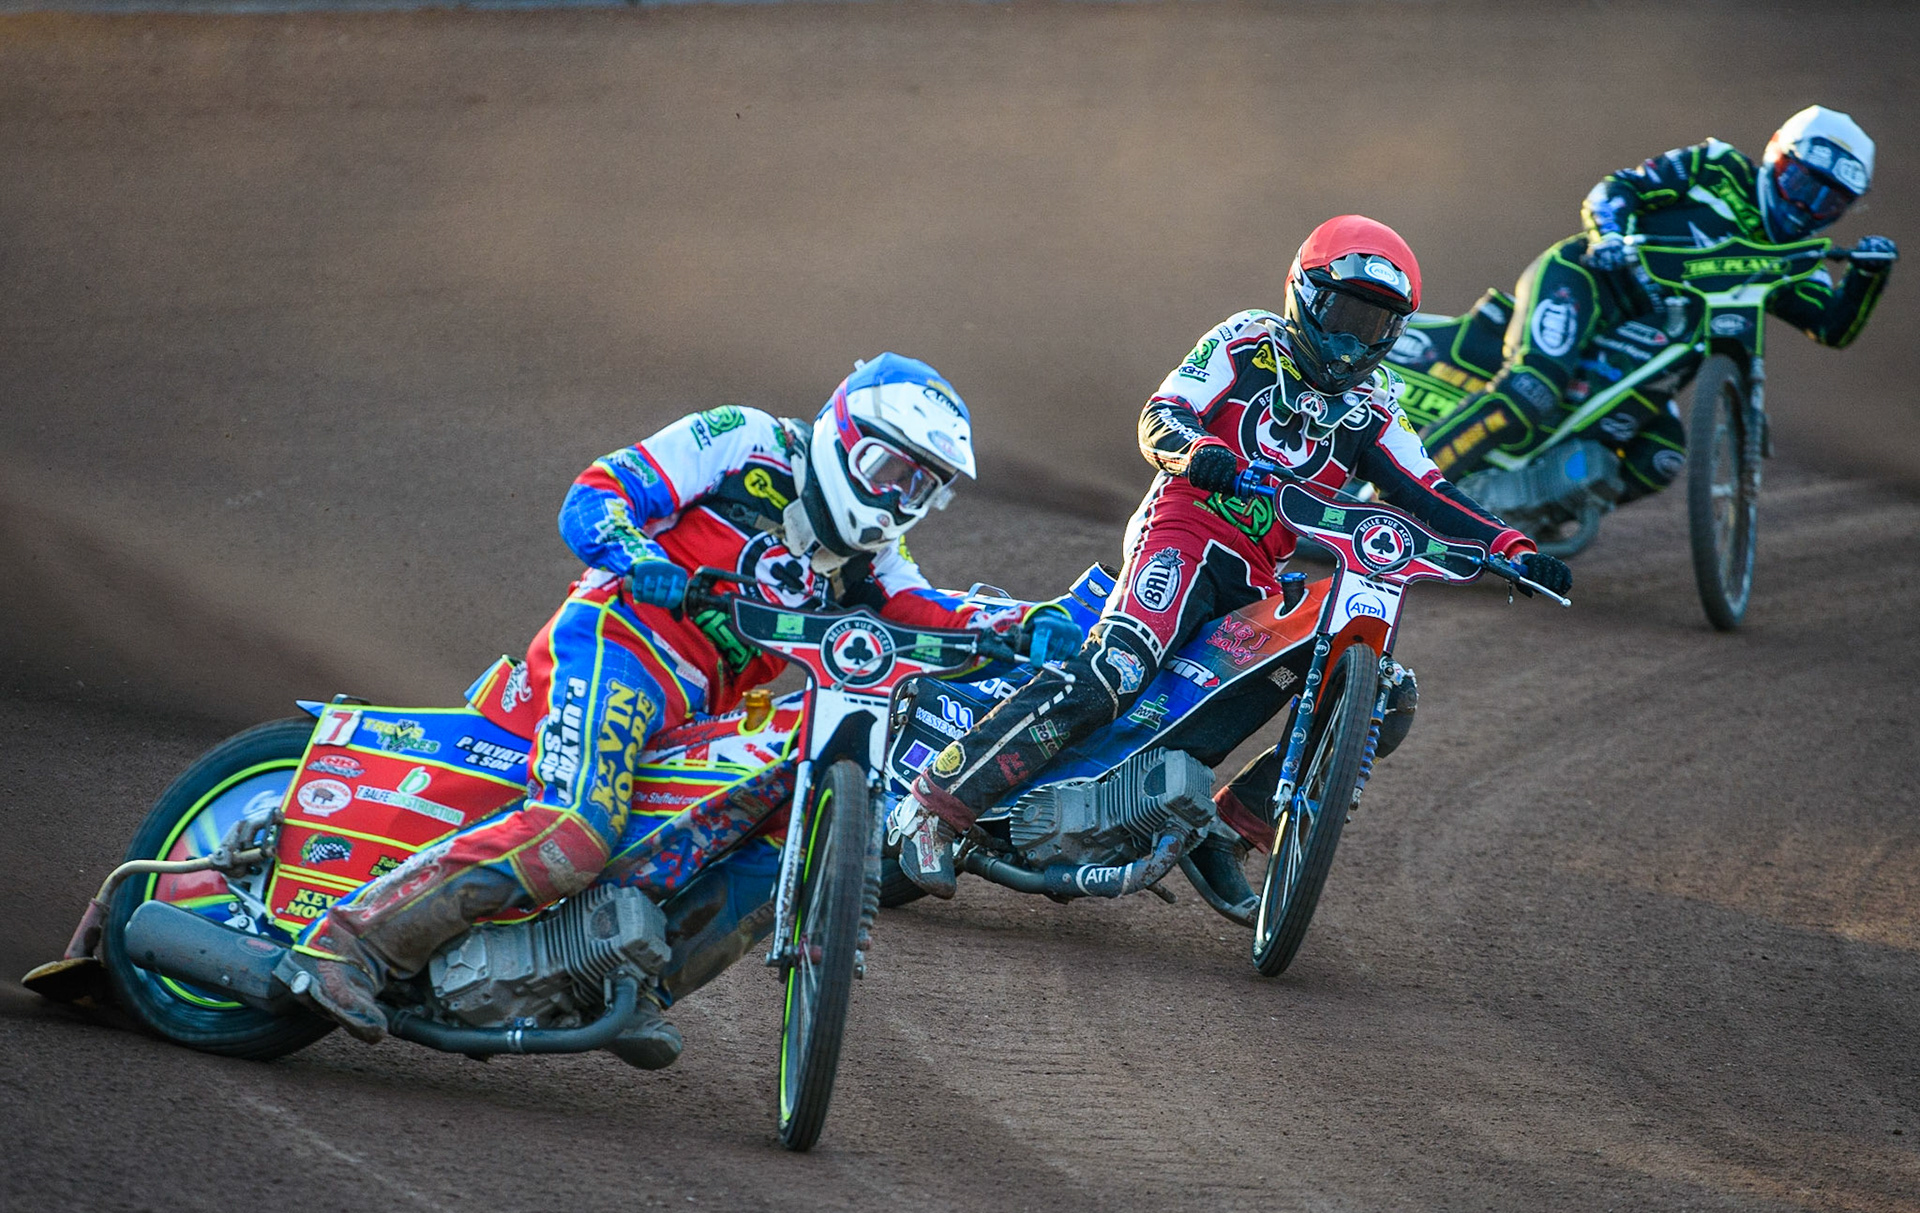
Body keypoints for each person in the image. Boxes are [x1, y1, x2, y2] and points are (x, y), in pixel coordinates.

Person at [281, 354, 1033, 1055]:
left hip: (699, 709)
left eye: (922, 488)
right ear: (843, 434)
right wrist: (644, 560)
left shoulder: (869, 560)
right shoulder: (748, 440)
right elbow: (596, 495)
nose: (899, 499)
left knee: (783, 838)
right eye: (890, 469)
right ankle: (349, 943)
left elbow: (922, 608)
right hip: (618, 645)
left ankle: (630, 981)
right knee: (576, 830)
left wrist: (1029, 625)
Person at [892, 216, 1571, 900]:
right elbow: (1162, 414)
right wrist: (1198, 451)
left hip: (1258, 577)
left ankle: (1232, 828)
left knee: (1378, 693)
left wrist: (1511, 546)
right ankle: (934, 802)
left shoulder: (1375, 406)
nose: (1348, 340)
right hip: (1182, 532)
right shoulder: (1246, 340)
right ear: (1303, 294)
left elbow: (1431, 489)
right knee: (1116, 669)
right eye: (1340, 314)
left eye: (1371, 326)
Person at [1421, 106, 1898, 494]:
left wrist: (1866, 277)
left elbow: (1832, 328)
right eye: (1801, 185)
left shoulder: (1798, 262)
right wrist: (1607, 236)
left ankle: (1530, 513)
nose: (1805, 209)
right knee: (1532, 389)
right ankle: (1393, 494)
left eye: (1828, 202)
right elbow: (1618, 187)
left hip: (1652, 354)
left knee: (1660, 458)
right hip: (1584, 282)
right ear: (1776, 156)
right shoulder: (1716, 167)